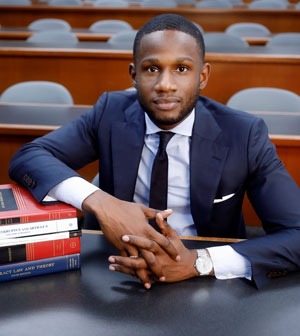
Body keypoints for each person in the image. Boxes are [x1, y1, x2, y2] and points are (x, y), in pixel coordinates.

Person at [9, 14, 300, 289]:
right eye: (151, 69)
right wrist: (102, 203)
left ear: (203, 76)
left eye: (182, 69)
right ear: (134, 75)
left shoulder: (243, 134)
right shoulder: (110, 113)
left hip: (208, 277)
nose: (165, 84)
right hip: (115, 267)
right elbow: (30, 156)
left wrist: (198, 262)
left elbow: (296, 234)